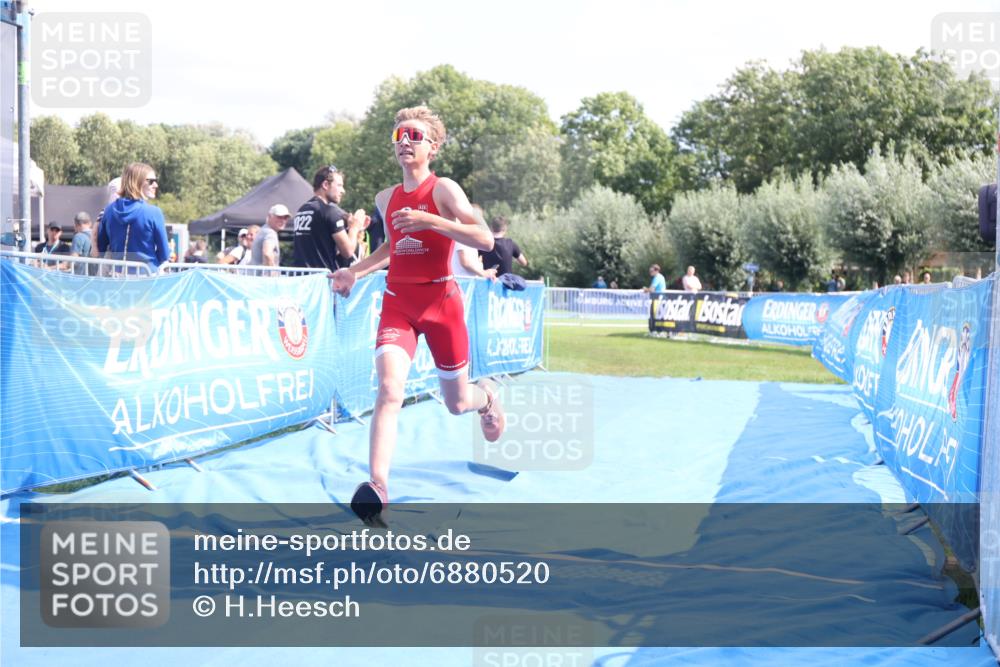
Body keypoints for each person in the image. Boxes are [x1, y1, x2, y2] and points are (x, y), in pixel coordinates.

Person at [331, 106, 506, 522]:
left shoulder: (444, 190)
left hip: (442, 304)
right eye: (399, 136)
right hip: (399, 304)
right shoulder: (385, 198)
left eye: (414, 135)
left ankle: (487, 397)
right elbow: (391, 247)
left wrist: (430, 219)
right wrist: (355, 272)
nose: (405, 142)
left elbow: (484, 239)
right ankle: (378, 486)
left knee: (457, 402)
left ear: (433, 147)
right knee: (390, 389)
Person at [292, 165, 367, 271]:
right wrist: (354, 227)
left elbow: (318, 246)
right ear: (326, 185)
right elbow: (348, 252)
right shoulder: (330, 212)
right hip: (320, 278)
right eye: (339, 185)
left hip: (300, 276)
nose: (343, 191)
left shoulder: (301, 210)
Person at [97, 162, 169, 272]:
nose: (156, 185)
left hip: (118, 276)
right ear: (137, 182)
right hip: (147, 276)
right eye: (151, 181)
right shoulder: (154, 212)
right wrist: (151, 265)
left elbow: (101, 247)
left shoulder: (109, 210)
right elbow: (164, 254)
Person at [452, 205, 496, 280]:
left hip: (467, 281)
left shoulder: (468, 234)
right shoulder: (462, 233)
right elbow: (465, 262)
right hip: (462, 281)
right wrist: (484, 273)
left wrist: (477, 263)